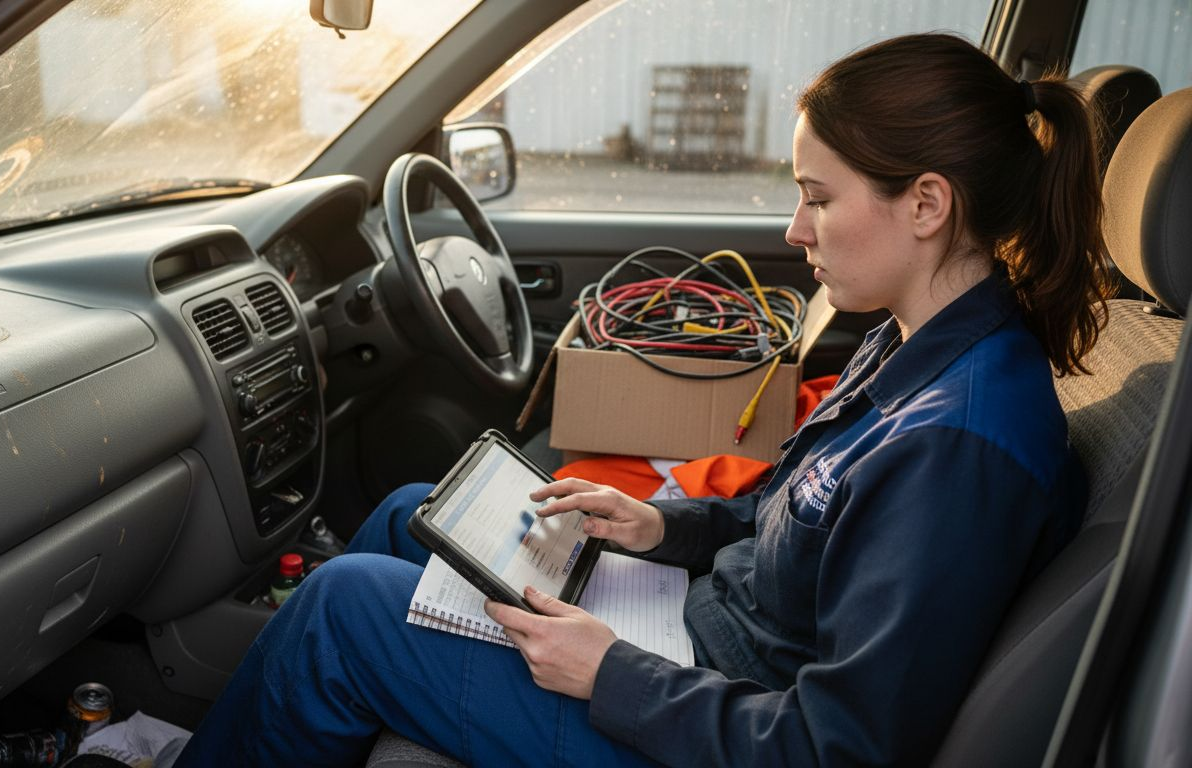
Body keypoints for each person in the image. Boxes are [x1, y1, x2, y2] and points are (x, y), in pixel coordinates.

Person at [175, 32, 1111, 767]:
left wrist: (609, 672)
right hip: (697, 636)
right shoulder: (915, 345)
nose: (795, 230)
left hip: (704, 719)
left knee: (345, 606)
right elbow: (797, 513)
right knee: (407, 516)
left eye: (818, 199)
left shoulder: (962, 441)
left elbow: (839, 745)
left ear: (927, 204)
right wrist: (663, 528)